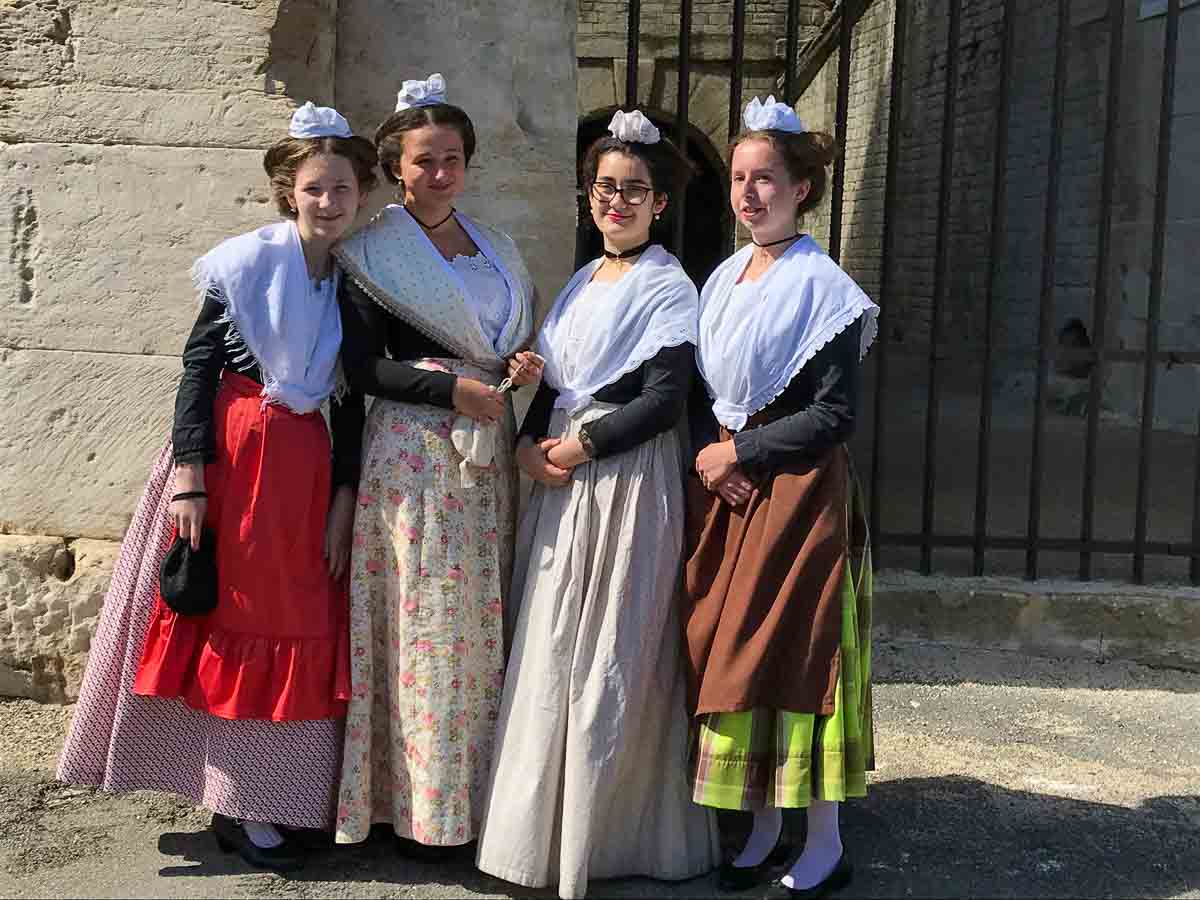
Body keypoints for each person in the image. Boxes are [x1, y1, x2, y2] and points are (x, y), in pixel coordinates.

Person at [56, 102, 377, 872]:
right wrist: (190, 479)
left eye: (341, 187)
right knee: (226, 618)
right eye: (314, 187)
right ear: (286, 191)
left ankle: (276, 797)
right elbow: (198, 368)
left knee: (295, 623)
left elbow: (352, 399)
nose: (328, 201)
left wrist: (342, 497)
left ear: (361, 194)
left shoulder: (352, 287)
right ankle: (231, 802)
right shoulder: (243, 267)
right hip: (231, 470)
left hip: (302, 475)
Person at [475, 109, 721, 900]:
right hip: (561, 481)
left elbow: (664, 400)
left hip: (623, 477)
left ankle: (606, 835)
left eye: (635, 191)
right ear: (589, 196)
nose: (617, 201)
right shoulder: (583, 280)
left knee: (613, 648)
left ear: (659, 203)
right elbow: (553, 381)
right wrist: (523, 443)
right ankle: (532, 834)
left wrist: (578, 448)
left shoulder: (668, 286)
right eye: (605, 187)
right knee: (551, 649)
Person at [331, 73, 541, 853]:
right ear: (394, 165)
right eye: (424, 160)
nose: (440, 173)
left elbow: (508, 342)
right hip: (416, 457)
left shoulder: (497, 247)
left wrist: (519, 368)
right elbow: (361, 368)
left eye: (452, 158)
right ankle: (418, 812)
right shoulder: (371, 252)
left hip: (485, 462)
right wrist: (454, 394)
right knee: (427, 633)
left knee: (481, 632)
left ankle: (479, 806)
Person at [683, 95, 879, 898]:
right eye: (738, 178)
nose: (749, 193)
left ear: (803, 188)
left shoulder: (824, 287)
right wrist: (712, 454)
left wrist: (743, 450)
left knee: (798, 651)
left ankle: (825, 841)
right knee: (732, 648)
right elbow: (703, 381)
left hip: (800, 493)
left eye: (767, 178)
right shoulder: (725, 275)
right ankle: (760, 824)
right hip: (731, 489)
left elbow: (834, 414)